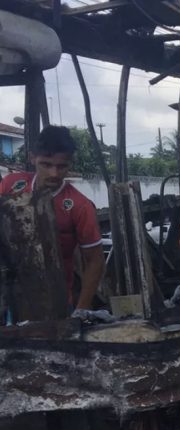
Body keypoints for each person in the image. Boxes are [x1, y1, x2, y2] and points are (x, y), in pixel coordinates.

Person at [0, 126, 104, 312]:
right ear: (33, 158)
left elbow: (95, 260)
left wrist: (81, 310)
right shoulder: (11, 185)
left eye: (61, 166)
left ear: (70, 163)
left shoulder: (80, 206)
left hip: (56, 301)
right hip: (8, 295)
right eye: (46, 164)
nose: (54, 173)